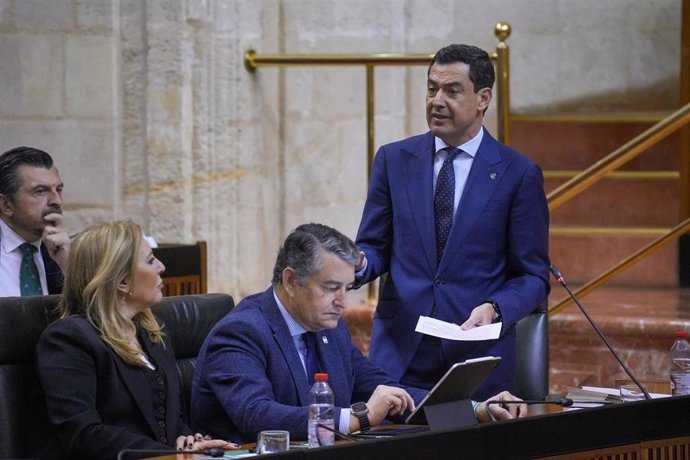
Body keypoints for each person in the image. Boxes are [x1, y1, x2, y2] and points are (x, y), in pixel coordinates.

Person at [191, 223, 526, 444]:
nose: (342, 301)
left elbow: (389, 393)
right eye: (331, 288)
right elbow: (257, 416)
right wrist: (356, 417)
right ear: (291, 281)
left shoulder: (328, 329)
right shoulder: (241, 332)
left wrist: (476, 408)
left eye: (347, 288)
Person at [354, 44, 550, 400]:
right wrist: (358, 263)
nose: (437, 100)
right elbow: (375, 245)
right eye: (432, 89)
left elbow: (533, 276)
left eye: (452, 90)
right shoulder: (394, 159)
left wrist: (494, 307)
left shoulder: (517, 174)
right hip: (400, 354)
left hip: (474, 360)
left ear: (483, 98)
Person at [36, 220, 237, 460]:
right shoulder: (68, 340)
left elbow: (171, 420)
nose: (161, 267)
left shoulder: (154, 334)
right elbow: (84, 435)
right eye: (151, 260)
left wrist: (187, 442)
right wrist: (170, 455)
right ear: (122, 281)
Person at [0, 146, 71, 296]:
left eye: (58, 189)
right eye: (40, 191)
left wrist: (69, 269)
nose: (57, 201)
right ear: (6, 205)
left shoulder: (64, 253)